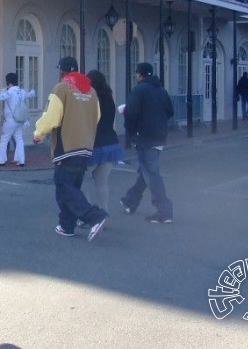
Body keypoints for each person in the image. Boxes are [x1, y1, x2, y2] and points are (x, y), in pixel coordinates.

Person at [33, 57, 107, 242]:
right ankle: (67, 225)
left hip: (67, 146)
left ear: (62, 72)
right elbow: (96, 116)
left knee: (64, 186)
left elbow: (52, 116)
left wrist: (39, 133)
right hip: (86, 145)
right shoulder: (91, 91)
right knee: (71, 186)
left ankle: (94, 216)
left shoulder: (61, 89)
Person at [120, 62, 174, 224]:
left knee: (151, 173)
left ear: (139, 74)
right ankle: (131, 200)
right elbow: (170, 112)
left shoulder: (139, 90)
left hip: (145, 137)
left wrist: (132, 133)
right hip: (159, 136)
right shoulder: (161, 90)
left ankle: (164, 210)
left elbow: (131, 113)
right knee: (147, 171)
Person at [85, 70, 124, 213]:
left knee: (80, 181)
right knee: (102, 184)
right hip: (110, 143)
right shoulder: (109, 98)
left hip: (93, 143)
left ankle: (87, 213)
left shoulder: (90, 99)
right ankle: (104, 212)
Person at [0, 72, 35, 166]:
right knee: (19, 139)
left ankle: (1, 160)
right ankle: (20, 160)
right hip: (20, 120)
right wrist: (32, 92)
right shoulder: (21, 91)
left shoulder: (10, 92)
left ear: (8, 82)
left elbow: (1, 97)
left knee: (4, 139)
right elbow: (29, 95)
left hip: (10, 120)